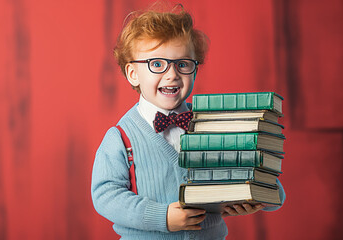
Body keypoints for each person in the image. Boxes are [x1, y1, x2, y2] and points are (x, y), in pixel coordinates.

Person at [91, 4, 285, 239]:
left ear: (195, 70)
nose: (172, 74)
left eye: (182, 64)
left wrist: (258, 197)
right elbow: (106, 196)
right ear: (133, 73)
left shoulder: (215, 124)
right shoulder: (120, 137)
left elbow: (255, 169)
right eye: (157, 64)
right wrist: (161, 216)